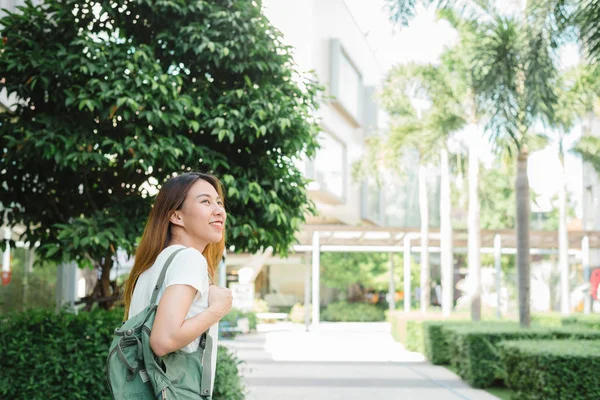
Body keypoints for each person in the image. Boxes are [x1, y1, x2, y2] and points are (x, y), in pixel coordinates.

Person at [121, 171, 233, 398]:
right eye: (205, 201)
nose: (219, 210)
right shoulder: (189, 259)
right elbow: (163, 341)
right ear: (176, 216)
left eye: (219, 203)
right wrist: (218, 309)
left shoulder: (152, 267)